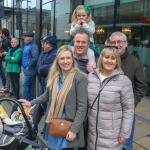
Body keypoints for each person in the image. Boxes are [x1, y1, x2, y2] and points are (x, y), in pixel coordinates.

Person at [18, 45, 88, 150]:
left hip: (68, 125)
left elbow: (82, 107)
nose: (65, 61)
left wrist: (74, 130)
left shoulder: (80, 77)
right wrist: (31, 103)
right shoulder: (55, 76)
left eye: (68, 58)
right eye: (62, 58)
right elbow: (46, 95)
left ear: (73, 60)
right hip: (54, 122)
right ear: (58, 61)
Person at [87, 47, 135, 149]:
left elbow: (129, 109)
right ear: (101, 59)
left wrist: (125, 132)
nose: (109, 60)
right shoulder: (91, 76)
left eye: (113, 58)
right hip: (92, 133)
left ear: (117, 61)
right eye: (106, 57)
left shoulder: (124, 81)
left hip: (112, 135)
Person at [109, 31, 148, 150]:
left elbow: (142, 86)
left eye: (119, 41)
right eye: (114, 42)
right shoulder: (107, 60)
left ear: (126, 43)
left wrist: (130, 104)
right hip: (108, 112)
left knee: (125, 144)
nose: (117, 45)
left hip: (126, 113)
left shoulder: (135, 62)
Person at [22, 32, 39, 101]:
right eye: (26, 37)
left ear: (32, 38)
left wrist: (29, 66)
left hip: (30, 69)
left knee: (24, 84)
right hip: (26, 69)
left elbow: (35, 58)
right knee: (30, 85)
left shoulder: (33, 46)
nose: (27, 38)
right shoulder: (27, 45)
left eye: (29, 37)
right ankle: (31, 100)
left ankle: (25, 101)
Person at [0, 28, 12, 96]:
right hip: (5, 59)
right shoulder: (8, 39)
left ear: (3, 33)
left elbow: (4, 50)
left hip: (5, 59)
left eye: (1, 33)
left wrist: (4, 52)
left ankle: (7, 89)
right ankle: (7, 88)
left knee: (6, 75)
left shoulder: (5, 40)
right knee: (6, 75)